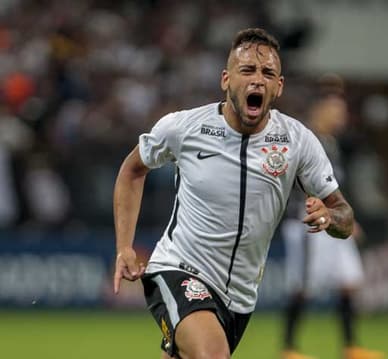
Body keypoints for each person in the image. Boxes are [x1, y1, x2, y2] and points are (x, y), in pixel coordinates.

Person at [112, 28, 355, 359]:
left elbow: (345, 217)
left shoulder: (297, 141)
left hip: (239, 299)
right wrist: (125, 246)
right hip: (179, 268)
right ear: (226, 80)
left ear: (278, 87)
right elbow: (132, 169)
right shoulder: (185, 128)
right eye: (247, 71)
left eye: (268, 73)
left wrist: (329, 218)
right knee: (213, 354)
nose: (257, 80)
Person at [281, 75, 384, 359]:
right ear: (320, 110)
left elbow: (332, 188)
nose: (341, 116)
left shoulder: (332, 143)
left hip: (332, 220)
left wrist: (347, 219)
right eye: (336, 110)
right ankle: (289, 349)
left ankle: (351, 346)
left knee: (349, 281)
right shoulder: (305, 139)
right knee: (303, 286)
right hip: (307, 220)